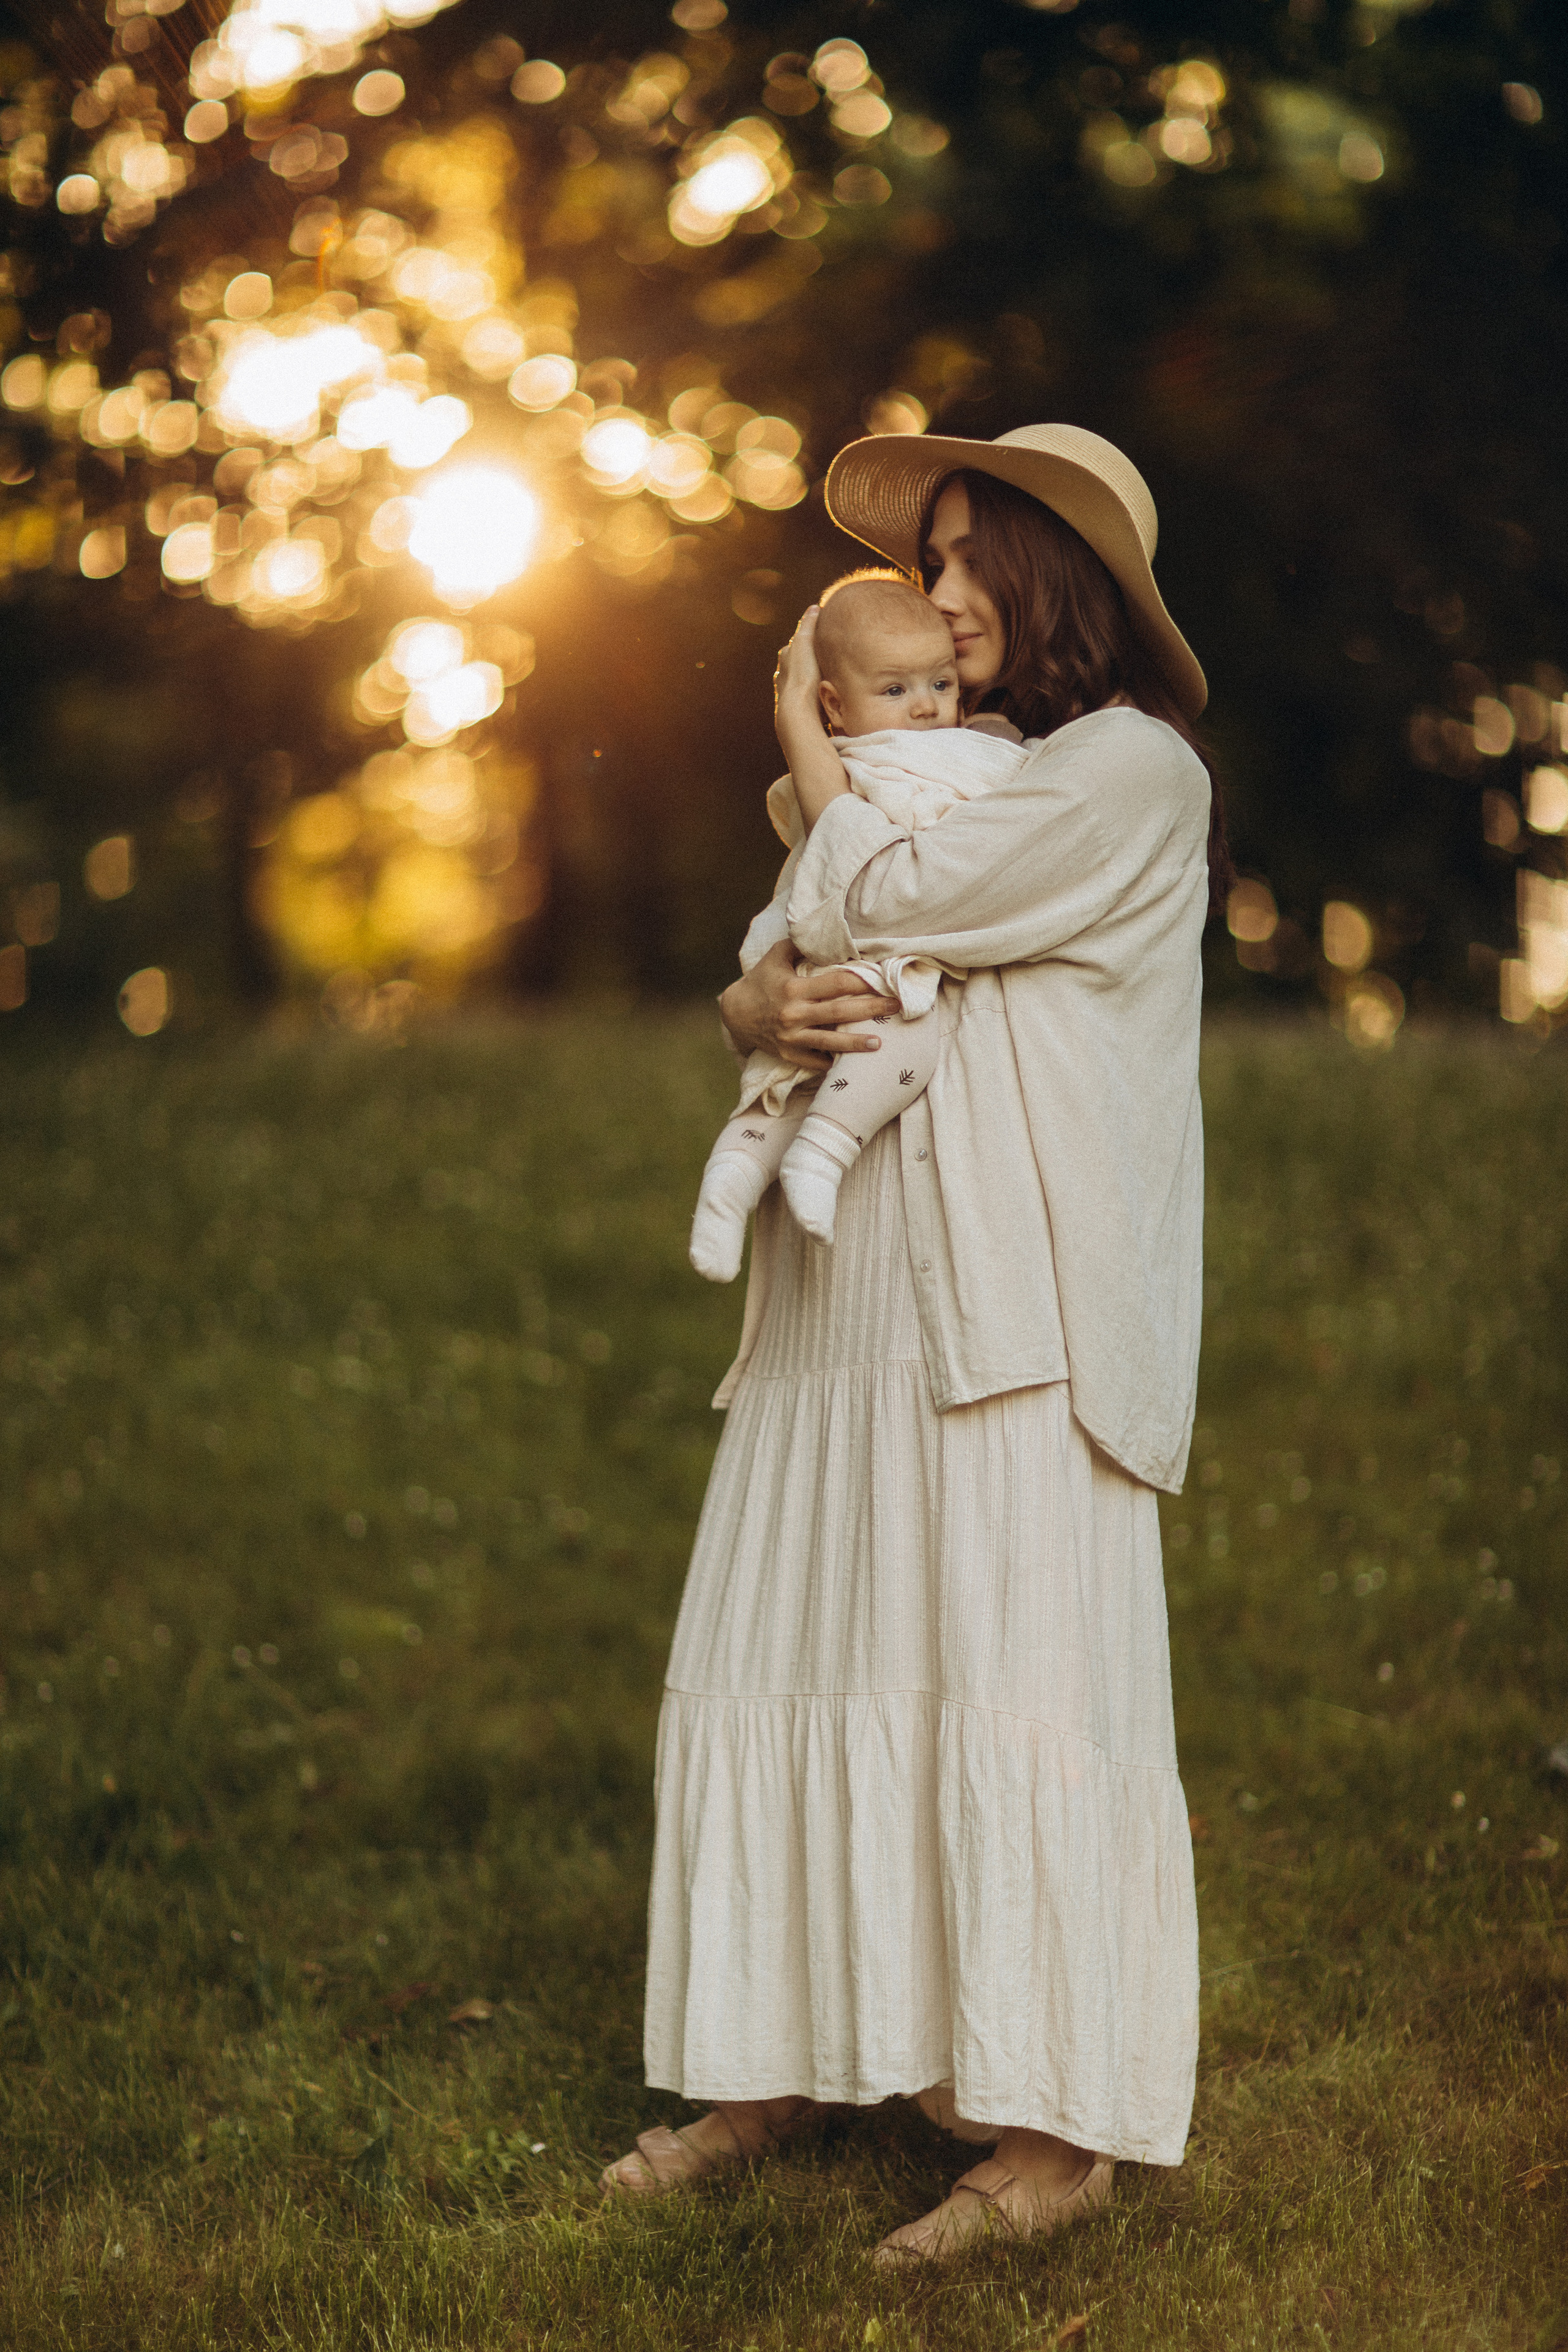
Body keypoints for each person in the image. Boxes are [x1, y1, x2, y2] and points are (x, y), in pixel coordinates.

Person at [605, 422, 1225, 2264]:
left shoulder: (1125, 772)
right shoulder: (949, 777)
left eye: (965, 561)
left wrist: (802, 764)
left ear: (1054, 583)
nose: (935, 597)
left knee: (1002, 1672)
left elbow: (881, 900)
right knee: (796, 1638)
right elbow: (793, 963)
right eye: (930, 561)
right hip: (842, 1295)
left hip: (1012, 1300)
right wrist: (751, 997)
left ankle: (1046, 2135)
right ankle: (771, 2060)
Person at [688, 569, 1027, 1282]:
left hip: (875, 946)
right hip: (833, 937)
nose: (929, 710)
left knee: (862, 1033)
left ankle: (815, 1151)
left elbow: (898, 879)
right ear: (835, 708)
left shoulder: (982, 749)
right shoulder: (852, 762)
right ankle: (733, 1180)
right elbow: (854, 863)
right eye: (896, 690)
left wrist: (796, 723)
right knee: (833, 1046)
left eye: (941, 684)